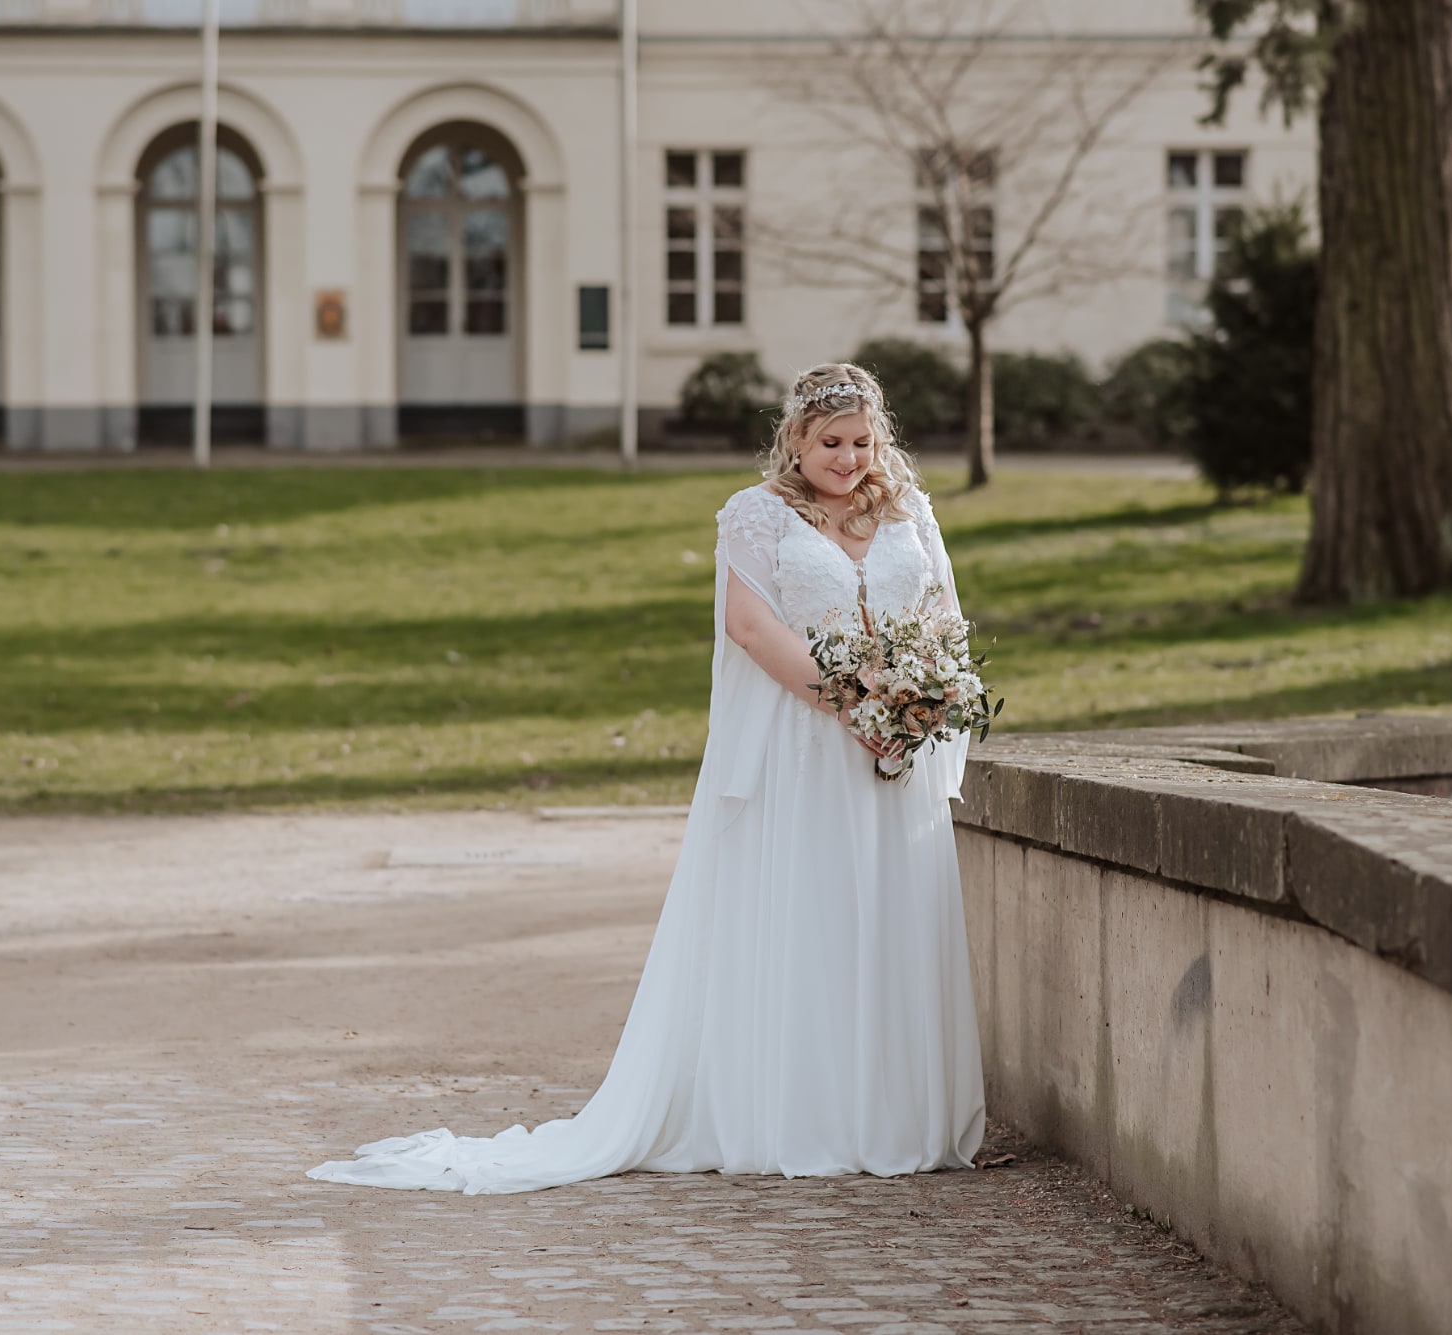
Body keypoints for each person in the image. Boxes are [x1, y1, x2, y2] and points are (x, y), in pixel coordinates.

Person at [306, 362, 985, 1193]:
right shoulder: (757, 518)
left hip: (895, 761)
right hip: (804, 753)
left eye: (860, 441)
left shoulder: (910, 512)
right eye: (829, 442)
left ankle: (895, 1111)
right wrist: (852, 706)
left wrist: (917, 705)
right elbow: (749, 625)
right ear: (796, 442)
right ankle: (807, 1111)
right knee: (812, 916)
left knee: (886, 918)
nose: (847, 458)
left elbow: (945, 619)